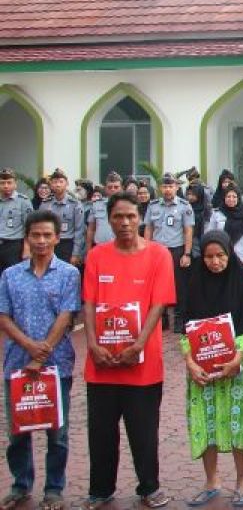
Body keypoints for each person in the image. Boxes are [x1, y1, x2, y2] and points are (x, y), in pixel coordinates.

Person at [81, 191, 174, 509]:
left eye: (131, 216)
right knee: (101, 433)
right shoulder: (96, 256)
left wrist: (137, 345)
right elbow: (89, 302)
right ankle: (100, 490)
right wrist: (92, 343)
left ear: (140, 218)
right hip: (101, 365)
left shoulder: (159, 255)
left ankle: (149, 487)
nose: (124, 222)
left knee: (144, 432)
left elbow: (159, 303)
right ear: (109, 219)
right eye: (118, 216)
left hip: (143, 365)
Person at [0, 210, 80, 510]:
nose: (42, 240)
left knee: (56, 433)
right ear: (27, 238)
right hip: (17, 365)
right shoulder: (10, 275)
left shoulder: (69, 274)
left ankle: (54, 490)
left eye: (48, 235)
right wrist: (29, 347)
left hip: (56, 365)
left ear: (57, 238)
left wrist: (43, 350)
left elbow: (67, 314)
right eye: (36, 235)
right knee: (18, 432)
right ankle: (21, 485)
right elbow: (3, 317)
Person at [180, 230, 243, 508]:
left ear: (229, 254)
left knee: (239, 422)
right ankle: (212, 480)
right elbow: (184, 326)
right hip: (201, 370)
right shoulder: (193, 282)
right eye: (209, 257)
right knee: (206, 423)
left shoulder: (241, 280)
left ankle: (242, 482)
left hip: (234, 368)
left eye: (220, 255)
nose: (215, 262)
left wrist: (237, 357)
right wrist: (190, 362)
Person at [144, 174, 196, 333]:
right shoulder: (153, 206)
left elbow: (188, 231)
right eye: (165, 186)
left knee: (180, 287)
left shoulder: (184, 206)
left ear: (176, 187)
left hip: (177, 250)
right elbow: (148, 228)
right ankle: (163, 319)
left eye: (170, 186)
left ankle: (179, 320)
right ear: (160, 188)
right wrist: (146, 250)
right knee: (157, 286)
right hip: (157, 251)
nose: (167, 189)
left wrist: (187, 254)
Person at [38, 168, 84, 266]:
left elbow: (79, 231)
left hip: (67, 245)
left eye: (61, 181)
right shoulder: (45, 204)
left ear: (66, 183)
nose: (58, 184)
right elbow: (40, 227)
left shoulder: (75, 204)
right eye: (55, 182)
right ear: (50, 185)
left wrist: (75, 254)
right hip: (48, 244)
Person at [207, 187, 243, 265]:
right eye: (228, 196)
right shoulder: (217, 213)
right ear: (224, 198)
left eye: (234, 197)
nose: (231, 199)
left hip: (241, 256)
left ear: (238, 198)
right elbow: (210, 234)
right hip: (221, 256)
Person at [84, 172, 124, 265]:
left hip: (121, 249)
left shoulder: (127, 205)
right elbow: (91, 229)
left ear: (121, 188)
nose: (113, 190)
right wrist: (88, 251)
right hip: (100, 248)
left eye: (116, 187)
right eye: (110, 187)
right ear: (105, 189)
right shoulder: (97, 205)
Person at [0, 169, 33, 271]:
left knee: (13, 277)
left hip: (14, 246)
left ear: (15, 184)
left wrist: (27, 248)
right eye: (2, 183)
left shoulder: (23, 201)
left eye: (9, 182)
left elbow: (29, 227)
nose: (6, 186)